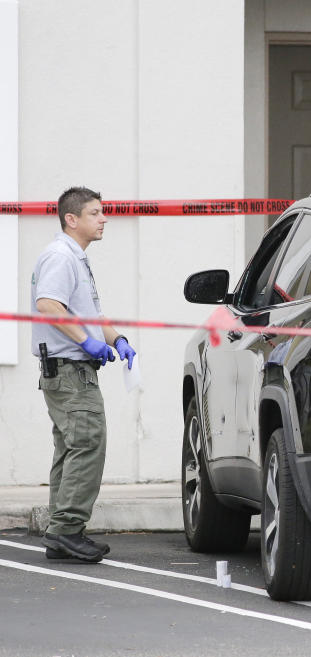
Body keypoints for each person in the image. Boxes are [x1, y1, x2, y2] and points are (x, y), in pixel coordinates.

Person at [31, 186, 137, 562]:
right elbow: (48, 304)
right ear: (71, 219)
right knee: (87, 445)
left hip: (69, 369)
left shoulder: (75, 257)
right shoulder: (62, 256)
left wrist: (116, 338)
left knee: (71, 449)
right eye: (95, 213)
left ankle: (63, 531)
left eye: (102, 211)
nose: (103, 218)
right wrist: (87, 343)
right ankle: (66, 531)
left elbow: (91, 313)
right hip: (70, 369)